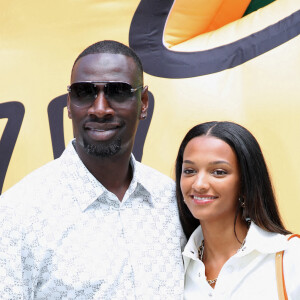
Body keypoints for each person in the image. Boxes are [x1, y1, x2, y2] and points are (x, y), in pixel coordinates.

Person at [0, 40, 185, 299]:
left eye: (118, 91)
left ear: (143, 102)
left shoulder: (173, 201)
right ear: (68, 104)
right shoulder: (17, 214)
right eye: (84, 93)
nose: (100, 109)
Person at [175, 121, 300, 299]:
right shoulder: (175, 265)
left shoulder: (291, 257)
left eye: (218, 172)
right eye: (189, 170)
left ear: (245, 182)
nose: (199, 184)